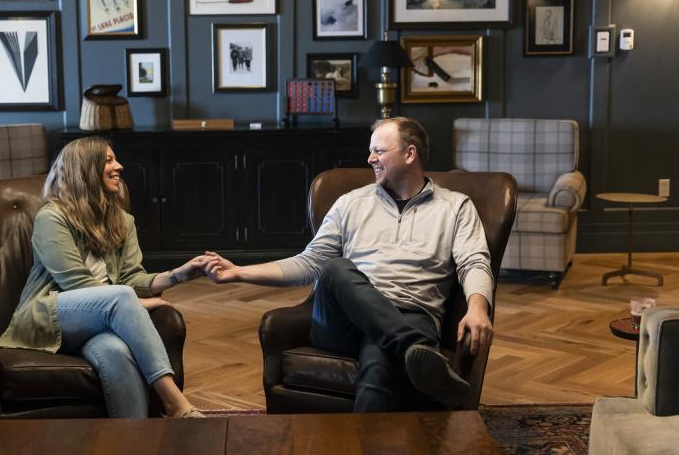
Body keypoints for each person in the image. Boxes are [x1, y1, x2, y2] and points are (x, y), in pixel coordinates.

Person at [201, 116, 493, 411]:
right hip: (344, 322)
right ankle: (414, 348)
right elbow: (310, 263)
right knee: (335, 268)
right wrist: (238, 272)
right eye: (371, 151)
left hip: (415, 312)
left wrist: (478, 307)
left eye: (379, 151)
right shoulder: (351, 203)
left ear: (410, 154)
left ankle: (364, 437)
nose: (370, 158)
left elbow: (474, 261)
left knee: (379, 357)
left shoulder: (455, 207)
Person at [0, 137, 206, 419]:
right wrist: (137, 305)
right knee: (119, 297)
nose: (118, 166)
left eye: (115, 159)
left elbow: (132, 278)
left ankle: (132, 442)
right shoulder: (52, 217)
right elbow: (77, 285)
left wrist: (177, 275)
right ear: (84, 168)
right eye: (108, 160)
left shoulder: (122, 220)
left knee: (116, 351)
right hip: (50, 316)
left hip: (104, 318)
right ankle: (174, 402)